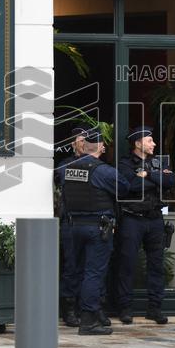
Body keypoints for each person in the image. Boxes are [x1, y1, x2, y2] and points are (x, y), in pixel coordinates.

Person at [59, 128, 128, 335]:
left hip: (73, 227)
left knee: (76, 270)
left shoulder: (67, 169)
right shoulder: (104, 171)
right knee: (94, 273)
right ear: (100, 147)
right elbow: (124, 189)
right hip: (97, 228)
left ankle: (87, 312)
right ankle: (88, 319)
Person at [116, 125, 175, 325]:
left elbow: (171, 181)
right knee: (127, 265)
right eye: (150, 141)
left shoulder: (157, 162)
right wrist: (157, 179)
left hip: (155, 219)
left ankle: (155, 309)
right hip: (132, 219)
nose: (154, 144)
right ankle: (125, 309)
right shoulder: (125, 164)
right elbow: (130, 186)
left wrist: (148, 176)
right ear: (138, 143)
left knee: (156, 265)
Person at [54, 126, 87, 328]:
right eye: (81, 140)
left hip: (91, 222)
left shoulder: (99, 165)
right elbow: (64, 177)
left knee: (89, 268)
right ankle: (69, 309)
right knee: (71, 268)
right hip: (71, 222)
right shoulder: (65, 164)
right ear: (73, 144)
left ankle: (89, 307)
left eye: (87, 141)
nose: (84, 144)